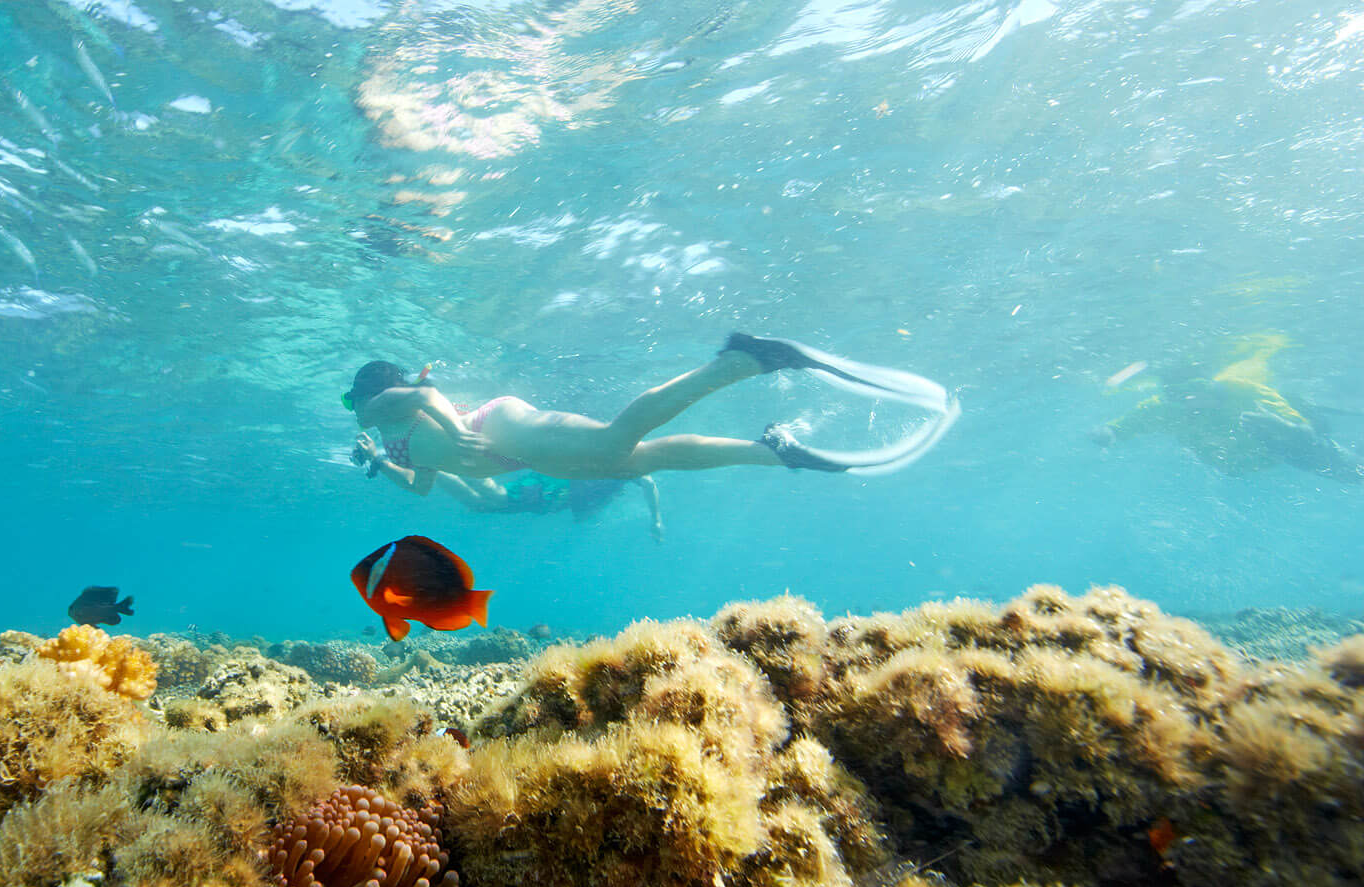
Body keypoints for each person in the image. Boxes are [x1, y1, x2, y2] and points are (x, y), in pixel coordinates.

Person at [341, 333, 960, 493]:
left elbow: (427, 397)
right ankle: (773, 449)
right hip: (509, 453)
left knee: (616, 442)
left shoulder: (380, 404)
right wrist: (376, 466)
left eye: (354, 400)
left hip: (495, 429)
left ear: (370, 387)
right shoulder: (389, 441)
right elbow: (423, 490)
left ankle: (736, 363)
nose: (353, 412)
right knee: (632, 463)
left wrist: (455, 433)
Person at [1092, 334, 1362, 482]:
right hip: (1239, 468)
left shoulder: (1245, 393)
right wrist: (1107, 433)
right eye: (1175, 394)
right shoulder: (1165, 408)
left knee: (1314, 455)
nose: (1186, 400)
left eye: (1193, 389)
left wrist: (1290, 430)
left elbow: (1305, 435)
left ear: (1209, 383)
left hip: (1280, 447)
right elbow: (1123, 425)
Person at [353, 432, 666, 541]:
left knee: (480, 504)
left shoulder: (624, 463)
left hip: (552, 492)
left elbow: (648, 484)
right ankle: (434, 458)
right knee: (495, 496)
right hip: (551, 490)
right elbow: (648, 483)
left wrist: (656, 520)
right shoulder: (621, 461)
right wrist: (656, 520)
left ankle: (429, 463)